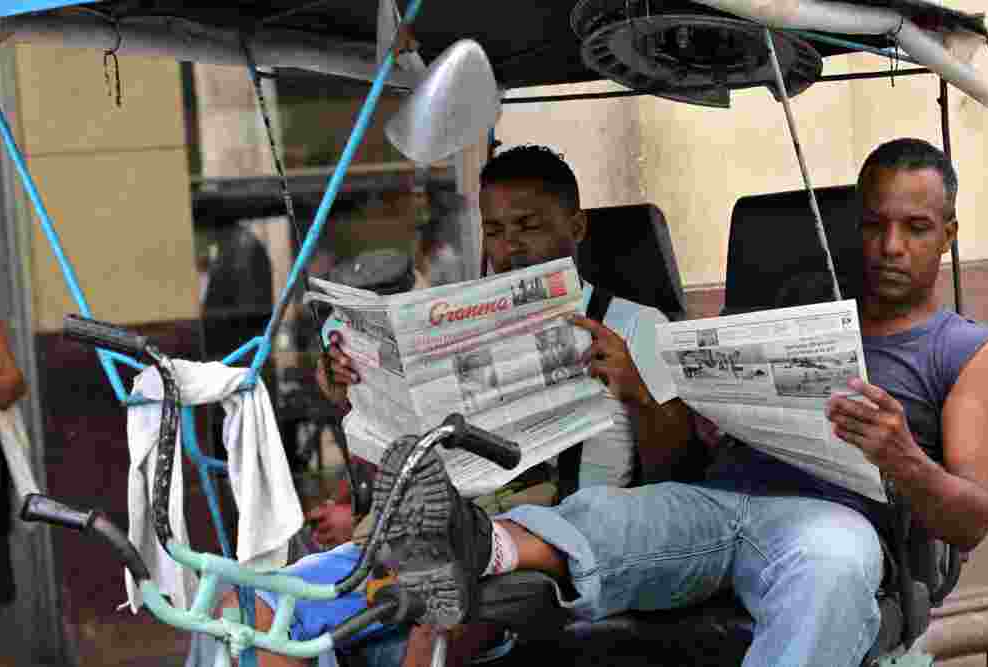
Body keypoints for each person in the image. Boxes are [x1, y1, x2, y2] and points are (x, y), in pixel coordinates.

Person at [357, 137, 988, 667]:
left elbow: (970, 520)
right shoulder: (802, 308)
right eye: (875, 225)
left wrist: (902, 456)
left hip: (831, 522)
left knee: (831, 575)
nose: (892, 246)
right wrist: (700, 399)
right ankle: (475, 544)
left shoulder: (966, 352)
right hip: (716, 501)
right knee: (608, 515)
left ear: (949, 233)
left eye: (917, 227)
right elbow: (681, 457)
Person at [244, 145, 692, 666]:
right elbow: (410, 454)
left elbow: (679, 479)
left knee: (435, 622)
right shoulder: (460, 323)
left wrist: (636, 392)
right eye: (496, 231)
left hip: (557, 539)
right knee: (255, 609)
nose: (510, 247)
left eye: (528, 226)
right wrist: (350, 391)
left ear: (576, 226)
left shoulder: (638, 326)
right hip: (448, 528)